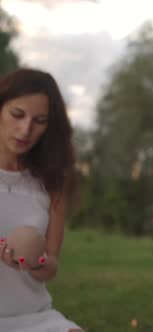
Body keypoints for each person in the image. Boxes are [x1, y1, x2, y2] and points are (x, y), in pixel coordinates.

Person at [0, 68, 81, 331]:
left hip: (33, 315)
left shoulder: (52, 182)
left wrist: (36, 263)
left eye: (40, 120)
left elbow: (51, 266)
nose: (26, 130)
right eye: (18, 115)